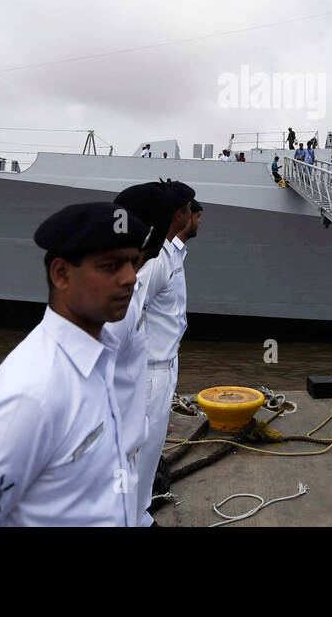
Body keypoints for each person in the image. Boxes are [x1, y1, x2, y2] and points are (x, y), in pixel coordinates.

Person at [0, 201, 151, 526]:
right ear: (61, 274)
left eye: (133, 262)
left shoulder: (96, 357)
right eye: (110, 265)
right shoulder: (31, 396)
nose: (130, 277)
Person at [137, 182, 198, 526]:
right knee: (140, 452)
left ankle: (139, 514)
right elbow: (127, 312)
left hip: (166, 367)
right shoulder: (158, 262)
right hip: (150, 372)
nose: (194, 216)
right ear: (179, 214)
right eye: (190, 209)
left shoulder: (173, 255)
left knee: (151, 451)